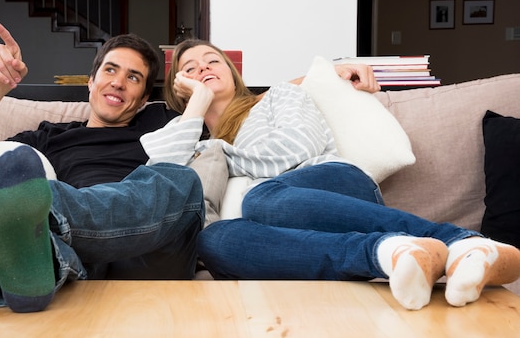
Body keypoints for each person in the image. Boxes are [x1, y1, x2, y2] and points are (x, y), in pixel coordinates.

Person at [140, 38, 520, 311]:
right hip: (276, 232)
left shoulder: (276, 97)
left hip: (333, 186)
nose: (202, 68)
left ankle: (461, 241)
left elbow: (296, 148)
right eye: (189, 68)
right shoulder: (192, 136)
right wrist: (199, 108)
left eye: (212, 60)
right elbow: (162, 177)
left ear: (233, 72)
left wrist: (222, 152)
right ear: (179, 89)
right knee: (215, 240)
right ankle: (391, 253)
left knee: (261, 200)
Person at [0, 21, 204, 313]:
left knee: (182, 180)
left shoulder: (160, 122)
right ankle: (29, 278)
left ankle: (26, 212)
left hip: (153, 251)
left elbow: (228, 121)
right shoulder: (51, 136)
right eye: (110, 70)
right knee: (24, 197)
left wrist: (199, 92)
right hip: (83, 254)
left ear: (144, 99)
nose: (118, 82)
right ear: (91, 81)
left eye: (133, 77)